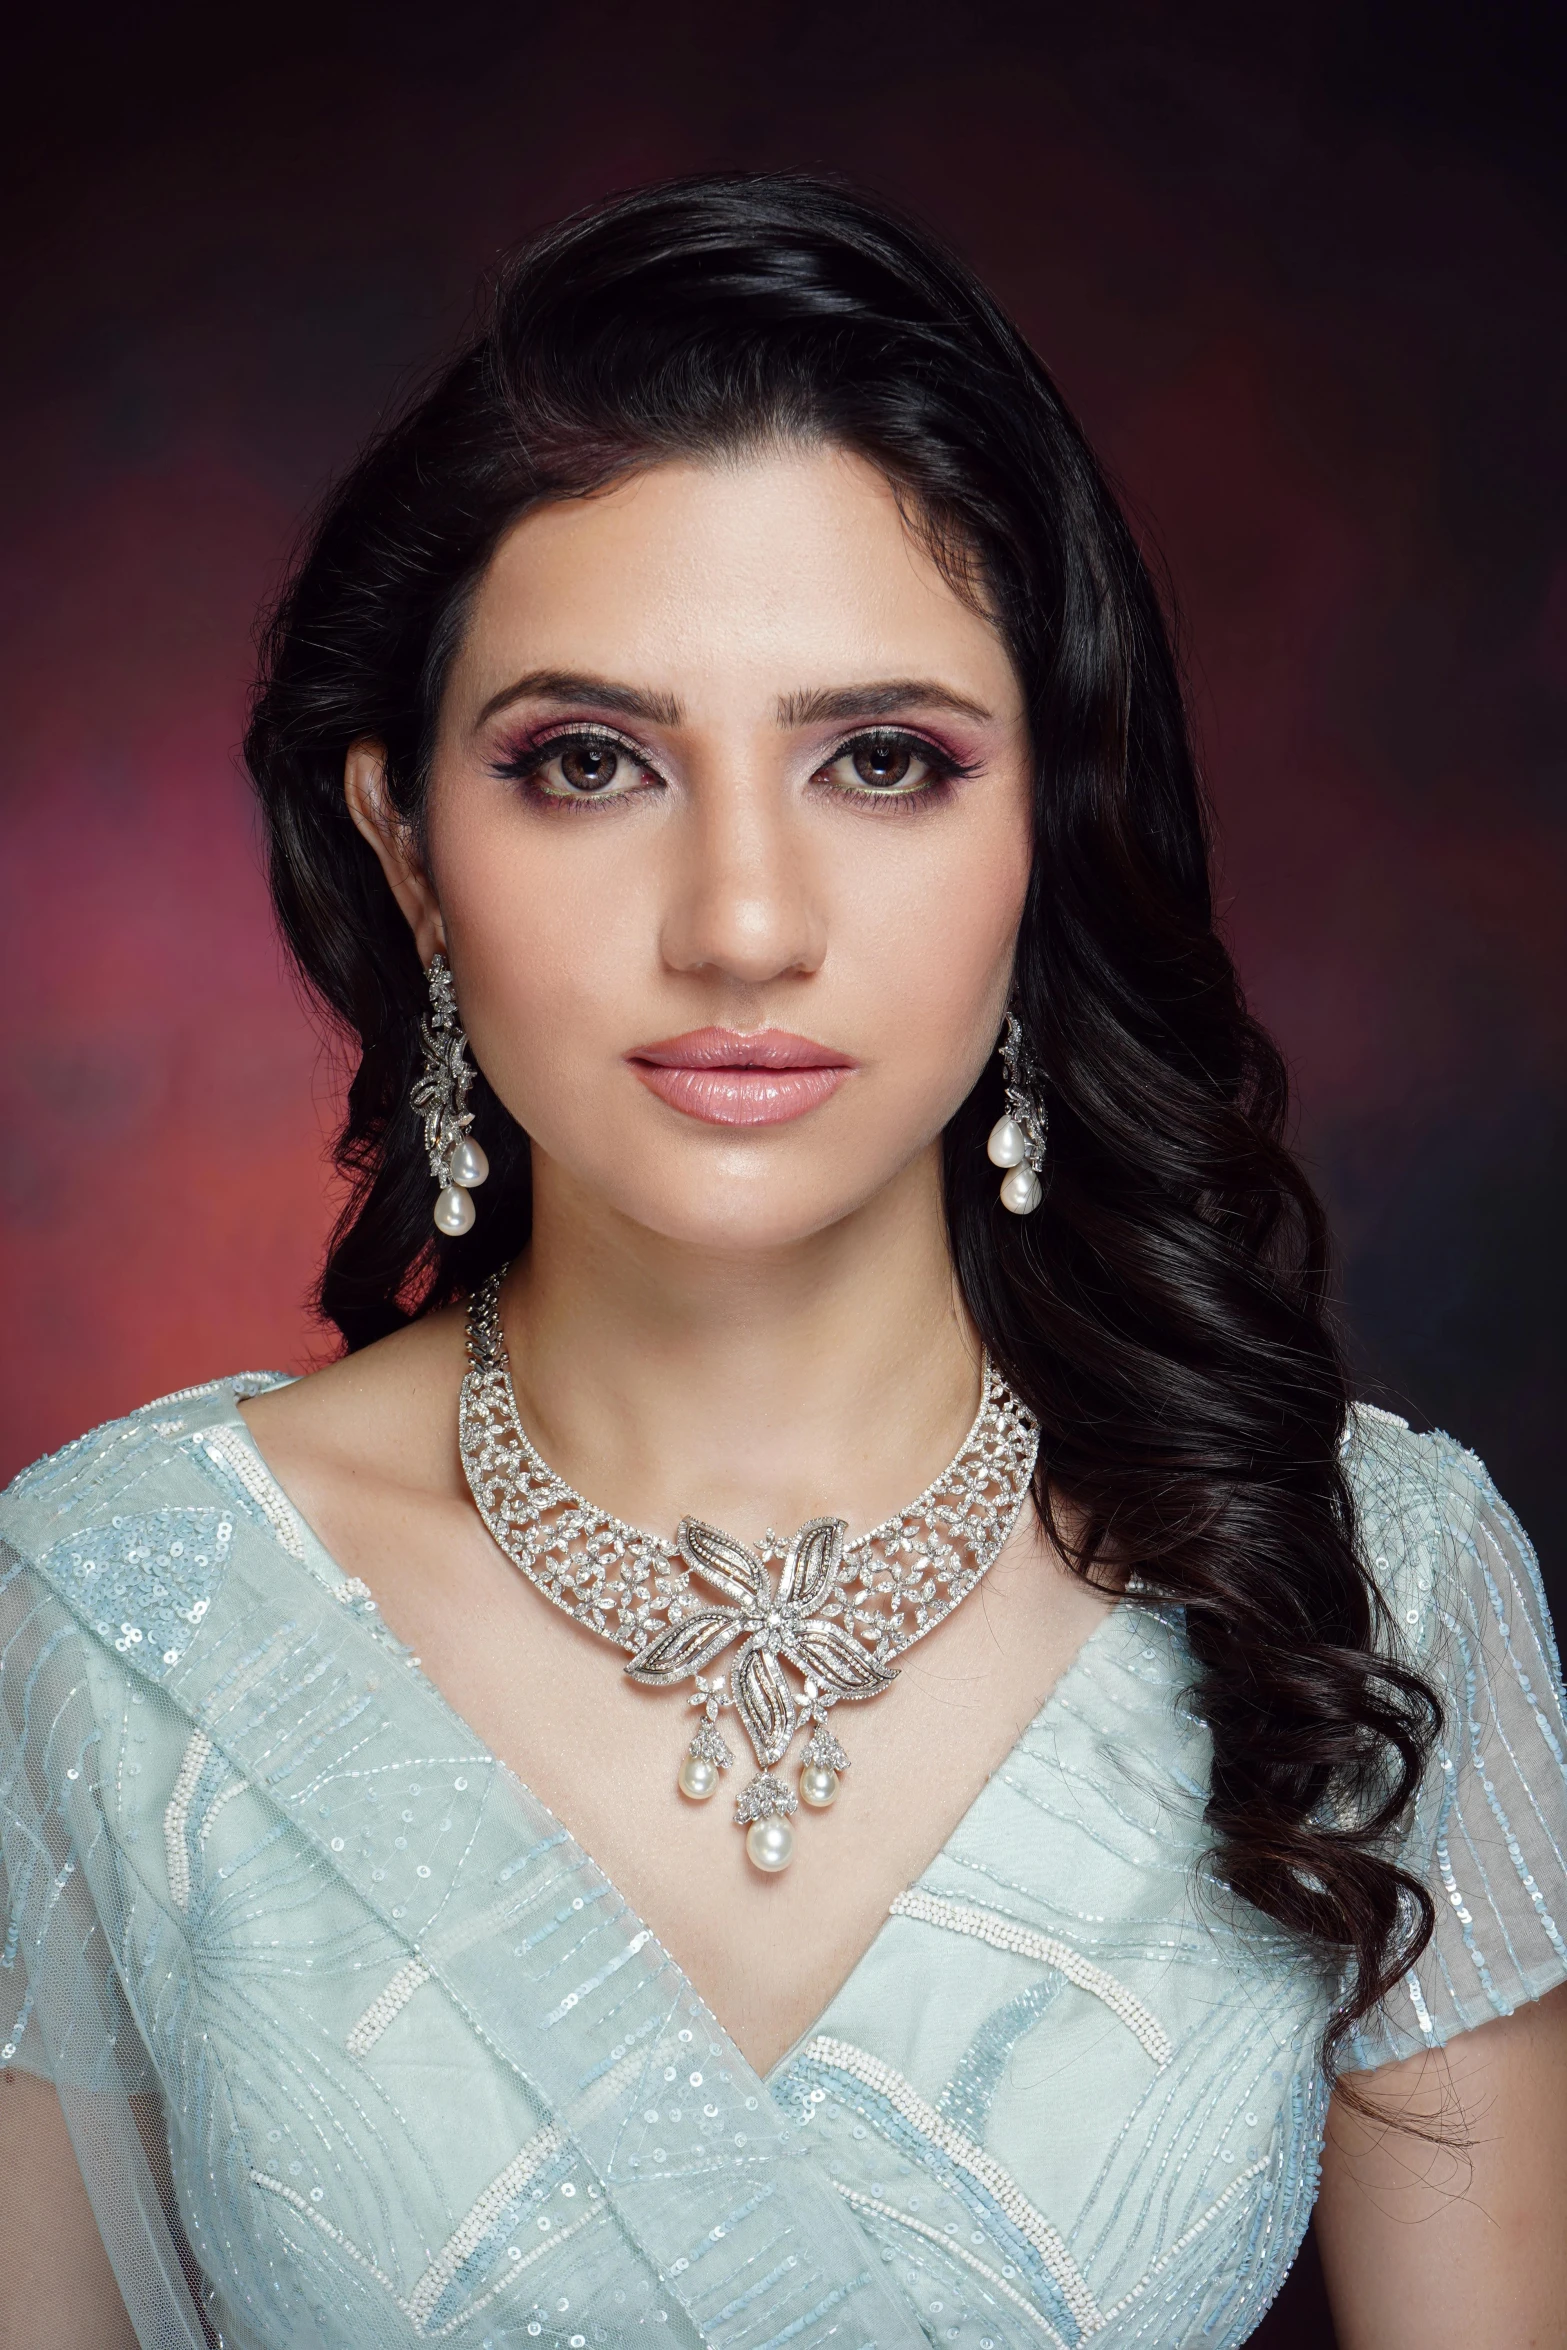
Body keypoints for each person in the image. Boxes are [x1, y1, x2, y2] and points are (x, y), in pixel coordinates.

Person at [2, 173, 1563, 2350]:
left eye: (884, 759)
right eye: (588, 761)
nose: (744, 919)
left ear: (1049, 825)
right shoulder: (113, 1615)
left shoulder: (1374, 1587)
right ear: (406, 848)